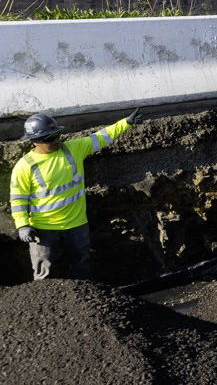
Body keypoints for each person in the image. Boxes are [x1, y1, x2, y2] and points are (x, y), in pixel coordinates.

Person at [8, 109, 143, 280]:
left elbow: (100, 137)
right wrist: (23, 225)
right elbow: (18, 199)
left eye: (57, 135)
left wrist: (126, 123)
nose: (57, 140)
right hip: (44, 229)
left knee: (82, 266)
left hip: (77, 224)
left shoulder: (72, 149)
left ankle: (84, 302)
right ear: (35, 142)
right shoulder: (24, 166)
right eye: (50, 138)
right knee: (44, 273)